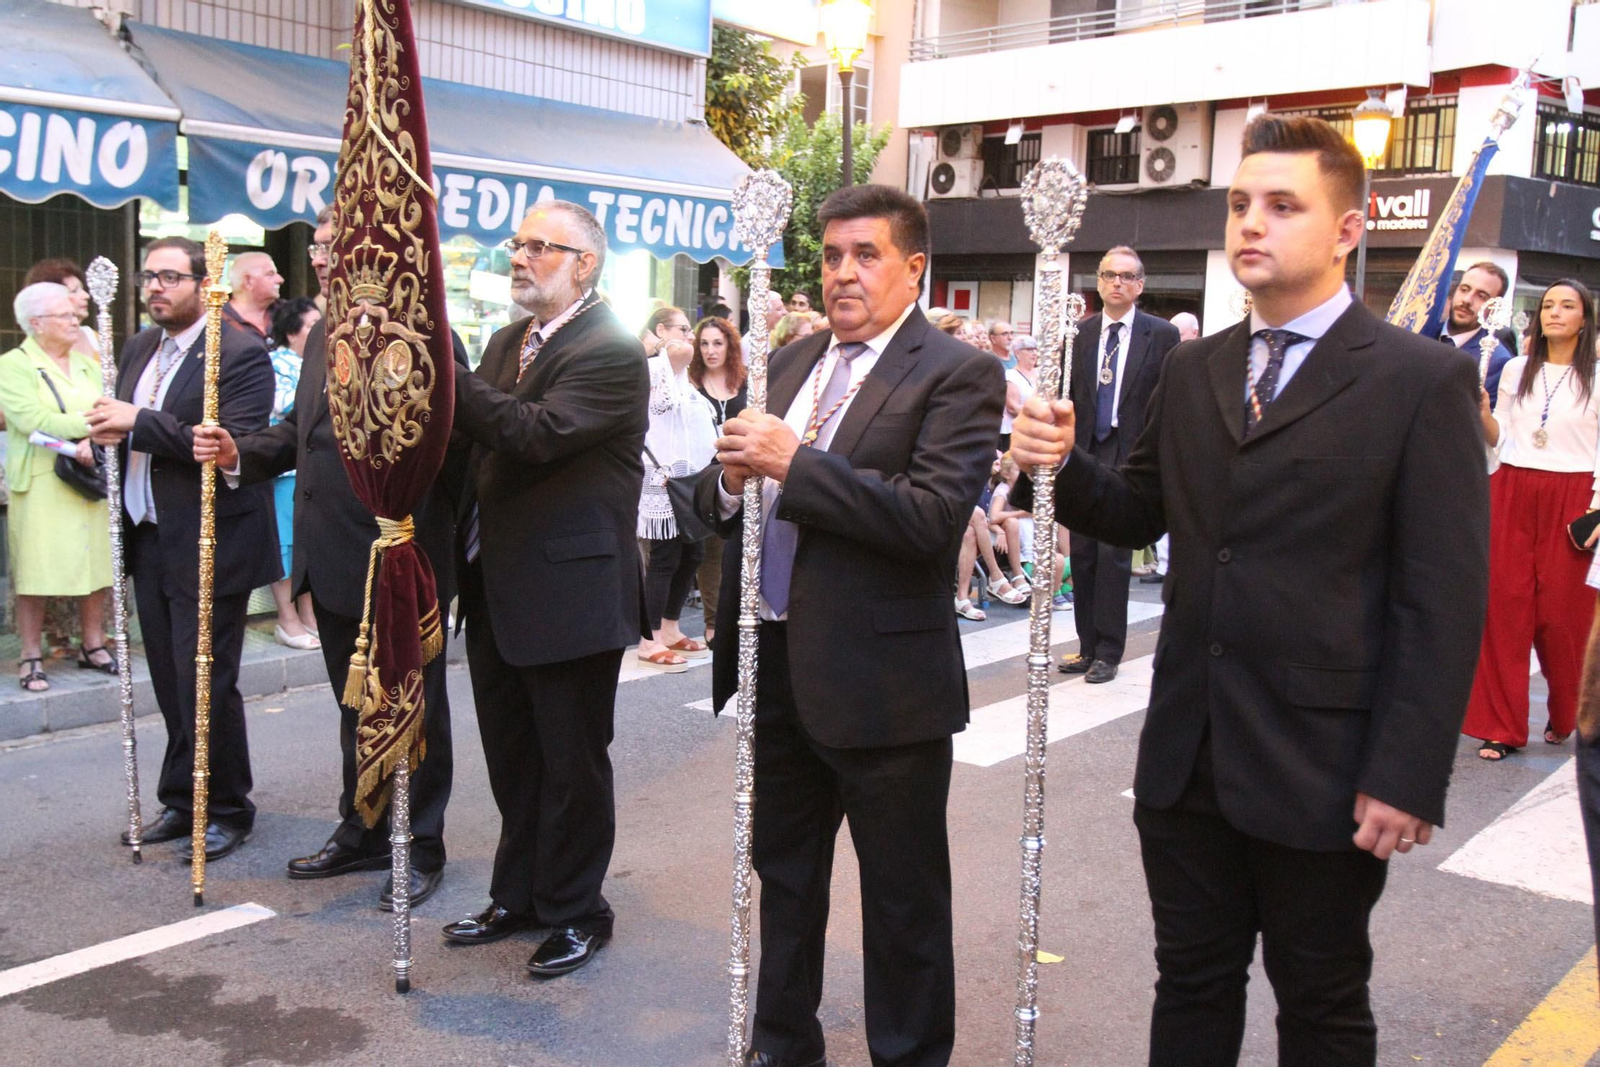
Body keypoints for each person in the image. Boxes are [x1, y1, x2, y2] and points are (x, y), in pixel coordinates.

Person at [1010, 113, 1488, 1067]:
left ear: (1348, 228)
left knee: (1320, 1002)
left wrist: (1407, 770)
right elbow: (1140, 508)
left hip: (1325, 759)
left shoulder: (1419, 379)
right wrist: (1056, 462)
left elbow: (1441, 599)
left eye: (1282, 206)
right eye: (1238, 204)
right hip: (1189, 753)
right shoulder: (1195, 368)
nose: (1250, 225)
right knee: (1189, 981)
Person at [696, 184, 1003, 1067]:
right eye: (831, 256)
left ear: (913, 267)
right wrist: (725, 483)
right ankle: (781, 1046)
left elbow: (930, 520)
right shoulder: (789, 364)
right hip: (778, 663)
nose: (842, 273)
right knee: (785, 880)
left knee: (903, 904)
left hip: (884, 686)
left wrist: (798, 463)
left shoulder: (956, 372)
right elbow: (724, 492)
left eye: (865, 255)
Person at [193, 214, 461, 907]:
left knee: (412, 707)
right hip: (331, 555)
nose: (322, 258)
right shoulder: (322, 333)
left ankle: (418, 842)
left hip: (396, 555)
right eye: (317, 247)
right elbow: (299, 431)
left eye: (338, 246)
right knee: (354, 704)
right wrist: (238, 451)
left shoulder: (424, 330)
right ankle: (364, 825)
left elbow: (447, 452)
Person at [444, 201, 648, 978]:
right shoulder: (506, 340)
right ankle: (520, 894)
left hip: (571, 593)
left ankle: (577, 909)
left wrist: (446, 376)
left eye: (539, 246)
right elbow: (471, 447)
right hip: (495, 583)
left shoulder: (612, 349)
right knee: (513, 757)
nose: (520, 257)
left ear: (584, 262)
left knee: (571, 763)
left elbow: (533, 433)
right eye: (517, 243)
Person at [87, 236, 278, 862]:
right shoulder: (141, 345)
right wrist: (104, 438)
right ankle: (182, 797)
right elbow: (124, 425)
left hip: (211, 538)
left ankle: (226, 807)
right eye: (148, 277)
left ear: (204, 282)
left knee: (206, 681)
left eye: (170, 277)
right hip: (150, 534)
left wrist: (135, 422)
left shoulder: (242, 351)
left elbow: (234, 443)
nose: (156, 288)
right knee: (170, 678)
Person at [1464, 279, 1600, 761]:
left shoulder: (1597, 376)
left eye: (1567, 306)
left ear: (1585, 319)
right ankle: (1501, 726)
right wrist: (1481, 413)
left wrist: (1597, 506)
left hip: (1574, 495)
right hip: (1513, 487)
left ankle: (1569, 710)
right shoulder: (1516, 368)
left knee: (1562, 616)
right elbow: (1500, 437)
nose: (1554, 313)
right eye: (1547, 305)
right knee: (1504, 607)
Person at [1057, 246, 1181, 683]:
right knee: (1084, 554)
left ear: (1139, 286)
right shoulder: (1079, 333)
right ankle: (1087, 646)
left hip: (1130, 454)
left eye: (1126, 276)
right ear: (1098, 280)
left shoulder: (1160, 335)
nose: (1117, 283)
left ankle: (1110, 650)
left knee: (1114, 558)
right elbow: (1065, 393)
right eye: (1109, 274)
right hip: (1086, 450)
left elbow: (1168, 398)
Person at [0, 283, 116, 692]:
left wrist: (91, 436)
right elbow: (29, 417)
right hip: (41, 480)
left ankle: (93, 644)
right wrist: (87, 430)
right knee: (37, 568)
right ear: (37, 323)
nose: (75, 321)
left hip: (90, 476)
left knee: (95, 561)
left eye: (73, 314)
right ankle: (31, 653)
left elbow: (107, 405)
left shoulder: (86, 364)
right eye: (65, 316)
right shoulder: (13, 364)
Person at [637, 336, 717, 671]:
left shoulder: (687, 383)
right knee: (665, 557)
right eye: (680, 328)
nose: (689, 336)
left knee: (694, 552)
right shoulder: (655, 372)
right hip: (662, 479)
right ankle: (648, 637)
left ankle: (670, 627)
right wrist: (663, 346)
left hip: (690, 479)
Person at [263, 297, 321, 650]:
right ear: (291, 332)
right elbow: (288, 406)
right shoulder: (275, 363)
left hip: (313, 470)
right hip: (285, 471)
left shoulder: (315, 362)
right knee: (286, 546)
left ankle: (309, 615)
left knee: (309, 543)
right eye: (313, 326)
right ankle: (287, 620)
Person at [690, 316, 748, 645]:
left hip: (740, 475)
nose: (711, 350)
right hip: (704, 476)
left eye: (717, 343)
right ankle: (712, 623)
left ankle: (734, 617)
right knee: (709, 552)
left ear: (729, 346)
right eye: (705, 343)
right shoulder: (691, 385)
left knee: (735, 550)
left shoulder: (745, 383)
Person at [1440, 261, 1516, 410]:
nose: (1467, 300)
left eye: (1481, 296)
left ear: (1494, 307)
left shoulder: (1496, 361)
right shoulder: (1423, 331)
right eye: (1464, 289)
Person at [23, 258, 100, 356]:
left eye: (82, 289)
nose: (86, 296)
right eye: (74, 291)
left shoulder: (94, 338)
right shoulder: (35, 346)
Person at [223, 251, 283, 341]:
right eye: (270, 274)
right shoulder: (219, 320)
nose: (280, 280)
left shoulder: (288, 313)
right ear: (248, 281)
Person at [1001, 332, 1038, 451]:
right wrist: (1036, 415)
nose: (1034, 353)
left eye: (1035, 349)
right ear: (1017, 353)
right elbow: (1012, 407)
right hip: (1017, 432)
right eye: (1029, 350)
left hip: (1037, 432)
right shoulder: (1011, 375)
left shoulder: (1040, 374)